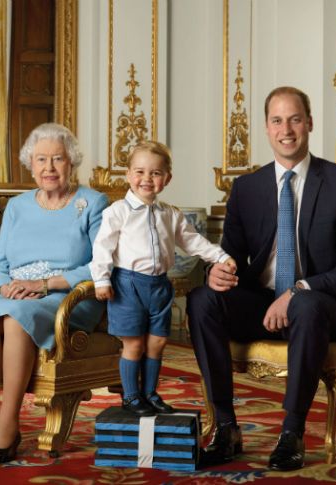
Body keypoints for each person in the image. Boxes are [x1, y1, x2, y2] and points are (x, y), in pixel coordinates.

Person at [187, 86, 336, 471]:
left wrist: (299, 289)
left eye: (294, 119)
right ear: (266, 128)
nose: (285, 129)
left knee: (304, 303)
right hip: (262, 303)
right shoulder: (247, 188)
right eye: (276, 120)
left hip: (324, 307)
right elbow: (231, 257)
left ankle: (292, 433)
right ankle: (225, 428)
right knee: (202, 298)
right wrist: (216, 272)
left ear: (309, 123)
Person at [0, 123, 108, 464]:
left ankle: (9, 422)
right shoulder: (17, 206)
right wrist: (4, 286)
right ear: (30, 164)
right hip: (16, 294)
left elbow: (101, 264)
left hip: (67, 298)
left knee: (16, 320)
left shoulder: (92, 202)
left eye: (58, 159)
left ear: (71, 162)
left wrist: (45, 285)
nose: (49, 168)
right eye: (41, 159)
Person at [90, 140, 236, 417]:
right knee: (133, 343)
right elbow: (102, 247)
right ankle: (131, 396)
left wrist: (219, 256)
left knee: (156, 343)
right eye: (140, 172)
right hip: (128, 285)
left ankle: (150, 393)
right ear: (128, 175)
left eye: (155, 173)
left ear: (166, 179)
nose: (147, 179)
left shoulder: (169, 214)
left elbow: (192, 241)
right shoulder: (117, 212)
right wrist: (101, 280)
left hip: (159, 286)